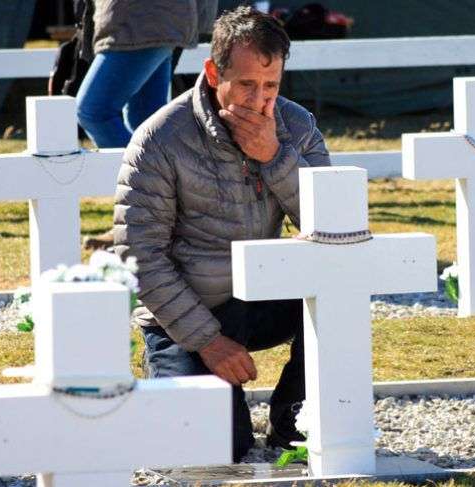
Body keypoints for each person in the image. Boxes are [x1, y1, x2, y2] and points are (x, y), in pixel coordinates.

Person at [113, 6, 330, 461]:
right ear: (214, 73)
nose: (260, 102)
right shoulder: (159, 139)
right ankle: (170, 370)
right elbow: (139, 257)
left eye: (271, 86)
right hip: (184, 317)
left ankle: (295, 419)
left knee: (339, 289)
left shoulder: (296, 125)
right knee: (217, 452)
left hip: (262, 296)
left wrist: (276, 157)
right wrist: (208, 342)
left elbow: (333, 227)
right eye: (247, 85)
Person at [76, 0, 218, 148]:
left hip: (137, 20)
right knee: (145, 120)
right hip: (159, 20)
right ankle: (156, 168)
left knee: (94, 113)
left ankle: (143, 169)